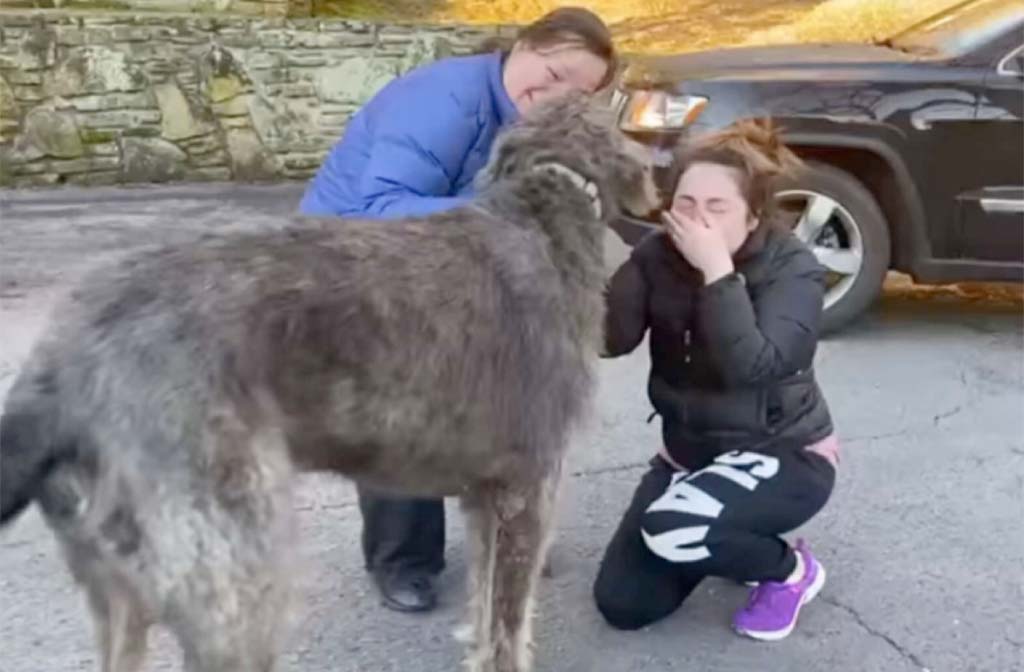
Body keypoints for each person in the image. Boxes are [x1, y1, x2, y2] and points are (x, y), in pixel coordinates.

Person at [298, 7, 618, 613]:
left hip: (451, 268)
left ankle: (509, 532)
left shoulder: (527, 115)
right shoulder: (446, 100)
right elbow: (380, 205)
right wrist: (504, 214)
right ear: (523, 44)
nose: (552, 95)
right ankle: (403, 561)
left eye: (575, 93)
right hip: (357, 264)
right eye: (550, 72)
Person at [592, 119, 842, 641]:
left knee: (676, 529)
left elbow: (755, 367)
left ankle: (790, 571)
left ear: (752, 216)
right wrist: (601, 267)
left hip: (784, 453)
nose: (696, 219)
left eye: (717, 207)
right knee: (624, 603)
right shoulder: (658, 255)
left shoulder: (792, 268)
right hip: (689, 454)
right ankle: (720, 530)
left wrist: (717, 273)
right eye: (685, 204)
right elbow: (610, 342)